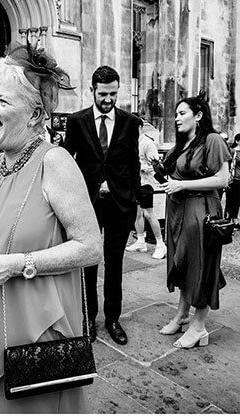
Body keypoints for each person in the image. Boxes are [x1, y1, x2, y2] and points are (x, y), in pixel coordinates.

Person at [0, 43, 102, 413]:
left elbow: (91, 247)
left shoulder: (55, 163)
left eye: (2, 101)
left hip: (34, 335)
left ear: (34, 114)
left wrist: (13, 265)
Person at [62, 65, 142, 346]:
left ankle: (113, 319)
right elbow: (64, 161)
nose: (108, 99)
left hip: (121, 206)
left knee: (115, 264)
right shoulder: (77, 121)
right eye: (103, 94)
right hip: (88, 206)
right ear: (92, 90)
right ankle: (88, 319)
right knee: (88, 264)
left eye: (113, 94)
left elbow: (134, 163)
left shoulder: (130, 122)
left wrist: (136, 201)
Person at [158, 97, 230, 348]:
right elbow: (175, 175)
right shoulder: (182, 144)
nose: (176, 118)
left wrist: (183, 184)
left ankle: (199, 326)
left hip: (202, 209)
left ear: (198, 116)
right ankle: (181, 315)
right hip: (179, 210)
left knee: (202, 267)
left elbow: (223, 180)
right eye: (175, 113)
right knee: (183, 264)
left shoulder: (213, 140)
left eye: (181, 113)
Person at [126, 117, 167, 259]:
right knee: (137, 213)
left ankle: (161, 244)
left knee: (149, 214)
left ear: (140, 127)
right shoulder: (130, 143)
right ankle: (140, 241)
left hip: (146, 184)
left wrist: (141, 167)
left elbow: (156, 167)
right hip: (134, 183)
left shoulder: (147, 144)